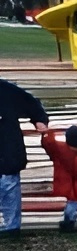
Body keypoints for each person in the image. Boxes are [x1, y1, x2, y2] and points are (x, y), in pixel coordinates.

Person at [0, 78, 50, 235]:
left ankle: (11, 226)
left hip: (7, 148)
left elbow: (30, 102)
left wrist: (39, 120)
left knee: (9, 186)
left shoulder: (6, 90)